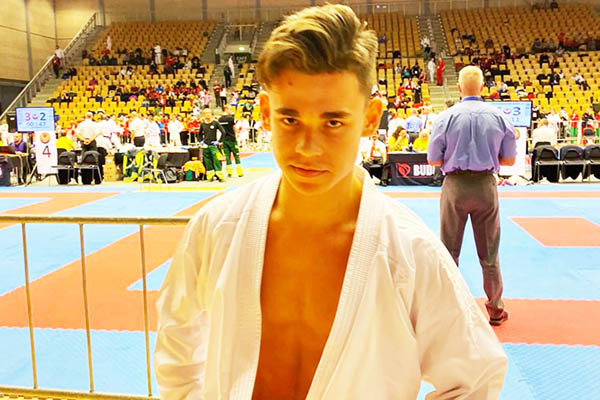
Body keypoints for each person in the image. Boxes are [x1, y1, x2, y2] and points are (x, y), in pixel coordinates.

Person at [155, 5, 506, 399]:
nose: (308, 148)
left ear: (370, 118)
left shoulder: (409, 253)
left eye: (333, 122)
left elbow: (476, 378)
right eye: (290, 120)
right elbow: (176, 347)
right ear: (266, 114)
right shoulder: (216, 228)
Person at [428, 65, 516, 326]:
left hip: (455, 186)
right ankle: (496, 310)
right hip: (485, 186)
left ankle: (446, 310)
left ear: (459, 87)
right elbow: (509, 160)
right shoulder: (499, 117)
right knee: (489, 254)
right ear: (483, 87)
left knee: (448, 251)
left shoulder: (445, 118)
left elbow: (433, 160)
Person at [198, 108, 226, 182]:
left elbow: (223, 132)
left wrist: (219, 141)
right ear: (203, 115)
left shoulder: (215, 123)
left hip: (214, 146)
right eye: (205, 113)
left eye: (209, 113)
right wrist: (201, 142)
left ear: (211, 114)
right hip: (206, 146)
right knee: (207, 162)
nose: (207, 115)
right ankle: (210, 176)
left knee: (217, 161)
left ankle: (220, 176)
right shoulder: (202, 124)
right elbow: (199, 134)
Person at [218, 105, 244, 177]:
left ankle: (229, 172)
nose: (231, 111)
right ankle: (239, 172)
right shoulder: (231, 118)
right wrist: (236, 135)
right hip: (232, 139)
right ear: (226, 109)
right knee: (236, 155)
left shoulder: (220, 119)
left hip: (224, 139)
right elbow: (234, 128)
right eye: (230, 109)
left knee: (227, 156)